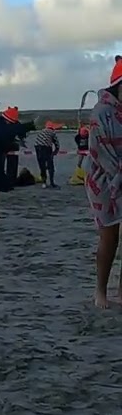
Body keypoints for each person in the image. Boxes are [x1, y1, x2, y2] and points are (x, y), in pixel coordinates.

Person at [86, 56, 122, 308]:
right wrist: (118, 179)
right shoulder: (100, 112)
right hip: (103, 180)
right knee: (110, 237)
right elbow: (102, 152)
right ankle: (100, 291)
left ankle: (121, 291)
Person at [29, 122, 61, 188]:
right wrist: (55, 152)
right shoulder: (52, 132)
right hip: (46, 147)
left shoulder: (42, 131)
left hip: (37, 147)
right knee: (50, 165)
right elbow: (57, 143)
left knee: (42, 165)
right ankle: (52, 182)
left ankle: (44, 182)